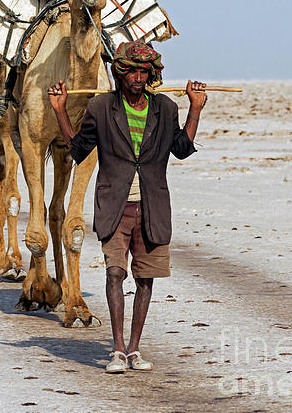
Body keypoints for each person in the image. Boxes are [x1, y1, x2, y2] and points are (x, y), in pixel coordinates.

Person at [47, 40, 206, 373]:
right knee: (115, 272)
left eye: (143, 71)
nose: (137, 76)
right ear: (119, 74)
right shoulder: (101, 107)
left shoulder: (165, 108)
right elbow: (77, 150)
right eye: (131, 70)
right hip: (114, 206)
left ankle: (134, 349)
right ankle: (117, 350)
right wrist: (60, 110)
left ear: (151, 74)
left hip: (152, 207)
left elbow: (181, 148)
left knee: (145, 279)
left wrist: (195, 109)